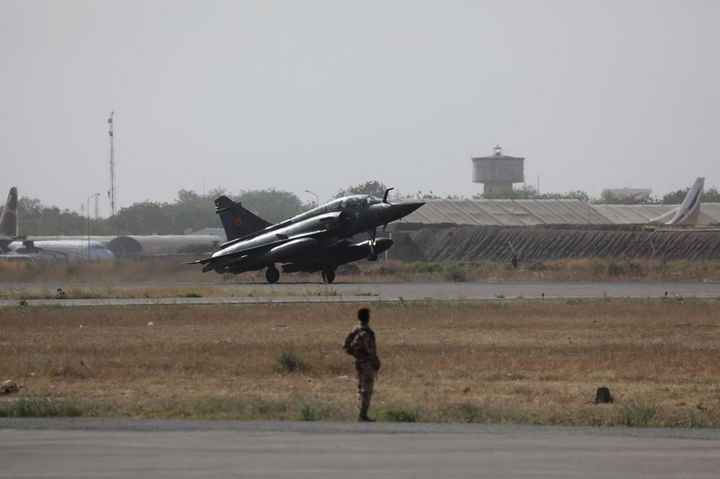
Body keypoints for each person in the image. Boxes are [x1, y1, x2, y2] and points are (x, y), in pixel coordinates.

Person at [343, 307, 381, 422]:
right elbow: (367, 348)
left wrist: (356, 355)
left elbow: (346, 346)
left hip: (359, 363)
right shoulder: (365, 332)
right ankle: (362, 415)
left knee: (361, 388)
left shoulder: (355, 330)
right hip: (366, 364)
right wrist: (372, 359)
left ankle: (361, 414)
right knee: (367, 390)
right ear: (367, 318)